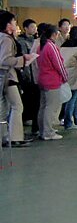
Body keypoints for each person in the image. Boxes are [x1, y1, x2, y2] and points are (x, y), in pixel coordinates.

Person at [0, 12, 36, 147]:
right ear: (8, 24)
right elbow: (5, 60)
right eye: (14, 22)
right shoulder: (6, 39)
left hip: (5, 78)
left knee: (5, 108)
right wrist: (23, 59)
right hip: (8, 77)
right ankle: (14, 137)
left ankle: (6, 136)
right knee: (17, 106)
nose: (16, 25)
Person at [37, 23, 68, 141]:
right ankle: (48, 132)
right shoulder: (51, 47)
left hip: (42, 79)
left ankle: (43, 130)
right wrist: (65, 77)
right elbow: (59, 64)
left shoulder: (41, 46)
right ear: (54, 34)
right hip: (52, 81)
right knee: (51, 107)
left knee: (44, 106)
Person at [60, 26, 77, 130]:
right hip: (74, 75)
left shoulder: (63, 46)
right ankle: (68, 122)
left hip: (63, 74)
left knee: (72, 98)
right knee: (72, 97)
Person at [18, 18, 39, 135]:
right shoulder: (21, 41)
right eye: (32, 27)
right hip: (27, 74)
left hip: (34, 74)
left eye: (35, 27)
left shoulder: (36, 41)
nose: (34, 29)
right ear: (25, 28)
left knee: (34, 99)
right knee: (27, 98)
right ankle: (26, 119)